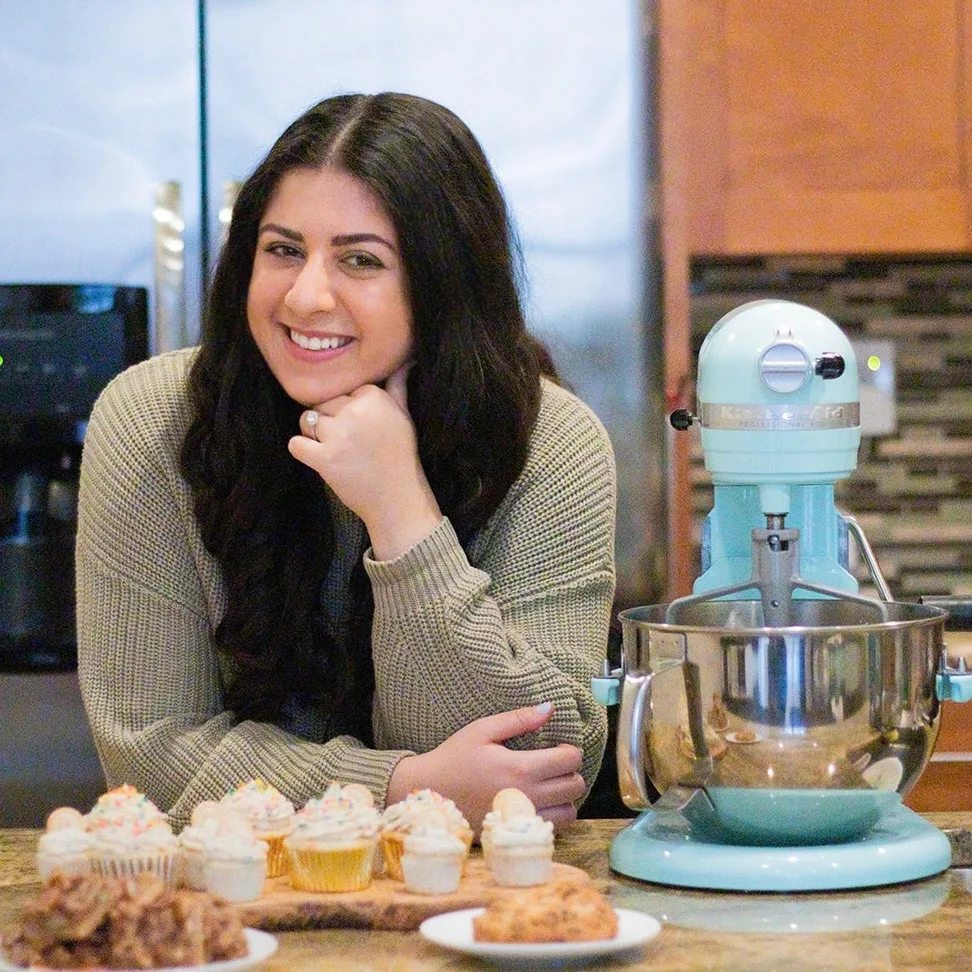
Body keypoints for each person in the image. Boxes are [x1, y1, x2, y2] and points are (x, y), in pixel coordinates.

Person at [76, 91, 617, 835]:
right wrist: (400, 789)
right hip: (227, 893)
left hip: (477, 896)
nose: (305, 296)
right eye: (283, 250)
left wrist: (403, 516)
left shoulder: (552, 442)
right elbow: (151, 756)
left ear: (444, 283)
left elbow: (540, 767)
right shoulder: (150, 420)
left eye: (361, 260)